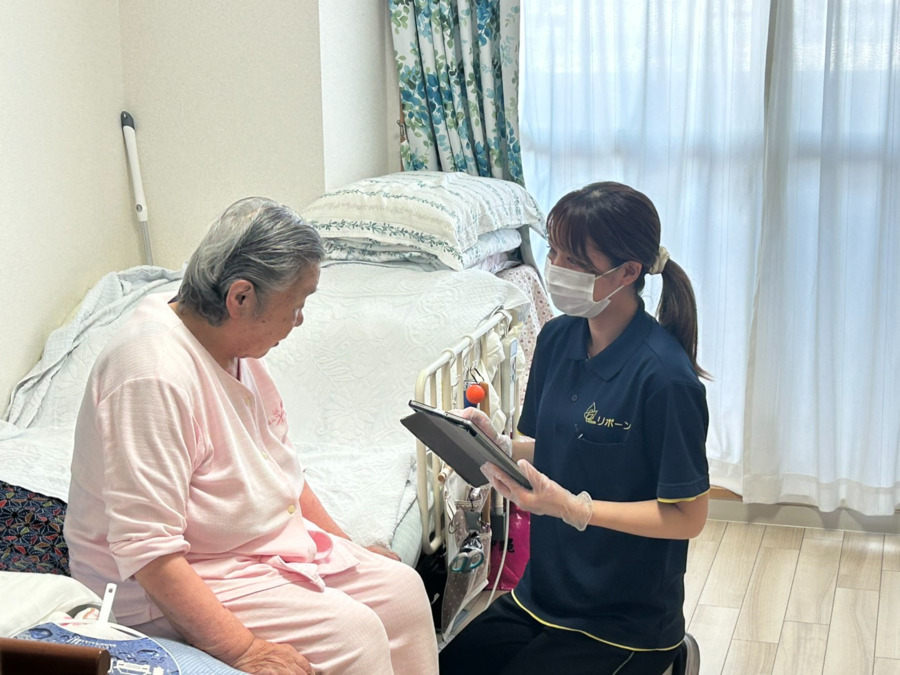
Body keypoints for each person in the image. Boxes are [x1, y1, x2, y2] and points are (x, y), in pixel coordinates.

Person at [64, 197, 439, 675]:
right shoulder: (151, 373)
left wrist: (346, 546)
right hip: (172, 578)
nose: (299, 320)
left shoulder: (234, 348)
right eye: (296, 304)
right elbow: (149, 551)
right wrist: (244, 650)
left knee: (402, 592)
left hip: (254, 550)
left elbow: (284, 476)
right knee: (353, 635)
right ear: (240, 298)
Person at [439, 182, 710, 675]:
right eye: (554, 249)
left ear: (627, 272)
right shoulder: (558, 337)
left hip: (623, 620)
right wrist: (496, 444)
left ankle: (672, 658)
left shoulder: (666, 379)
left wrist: (574, 508)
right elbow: (550, 445)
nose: (555, 266)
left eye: (574, 259)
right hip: (541, 596)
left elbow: (688, 517)